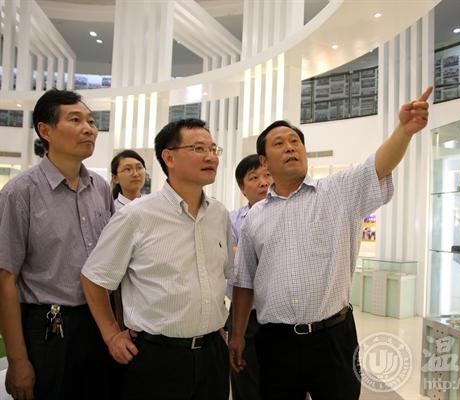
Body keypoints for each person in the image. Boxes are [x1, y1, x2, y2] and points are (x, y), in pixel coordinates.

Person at [229, 86, 432, 400]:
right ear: (264, 161)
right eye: (279, 144)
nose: (290, 147)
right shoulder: (255, 217)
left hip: (333, 337)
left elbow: (377, 166)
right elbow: (244, 282)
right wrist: (238, 334)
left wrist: (404, 131)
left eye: (295, 141)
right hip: (276, 342)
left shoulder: (337, 192)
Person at [80, 118, 233, 400]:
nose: (211, 156)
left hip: (212, 354)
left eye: (213, 149)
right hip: (157, 357)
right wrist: (111, 335)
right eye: (199, 148)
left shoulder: (219, 214)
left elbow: (220, 275)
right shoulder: (136, 215)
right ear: (169, 157)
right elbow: (94, 278)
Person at [0, 89, 116, 400]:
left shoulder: (100, 188)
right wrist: (17, 361)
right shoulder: (20, 193)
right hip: (49, 328)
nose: (89, 129)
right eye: (75, 120)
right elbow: (5, 278)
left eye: (91, 121)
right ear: (45, 130)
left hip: (100, 323)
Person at [228, 154, 272, 400]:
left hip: (280, 317)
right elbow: (232, 261)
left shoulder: (288, 214)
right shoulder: (232, 220)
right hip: (244, 316)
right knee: (246, 383)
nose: (263, 182)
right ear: (242, 188)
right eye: (254, 178)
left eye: (267, 175)